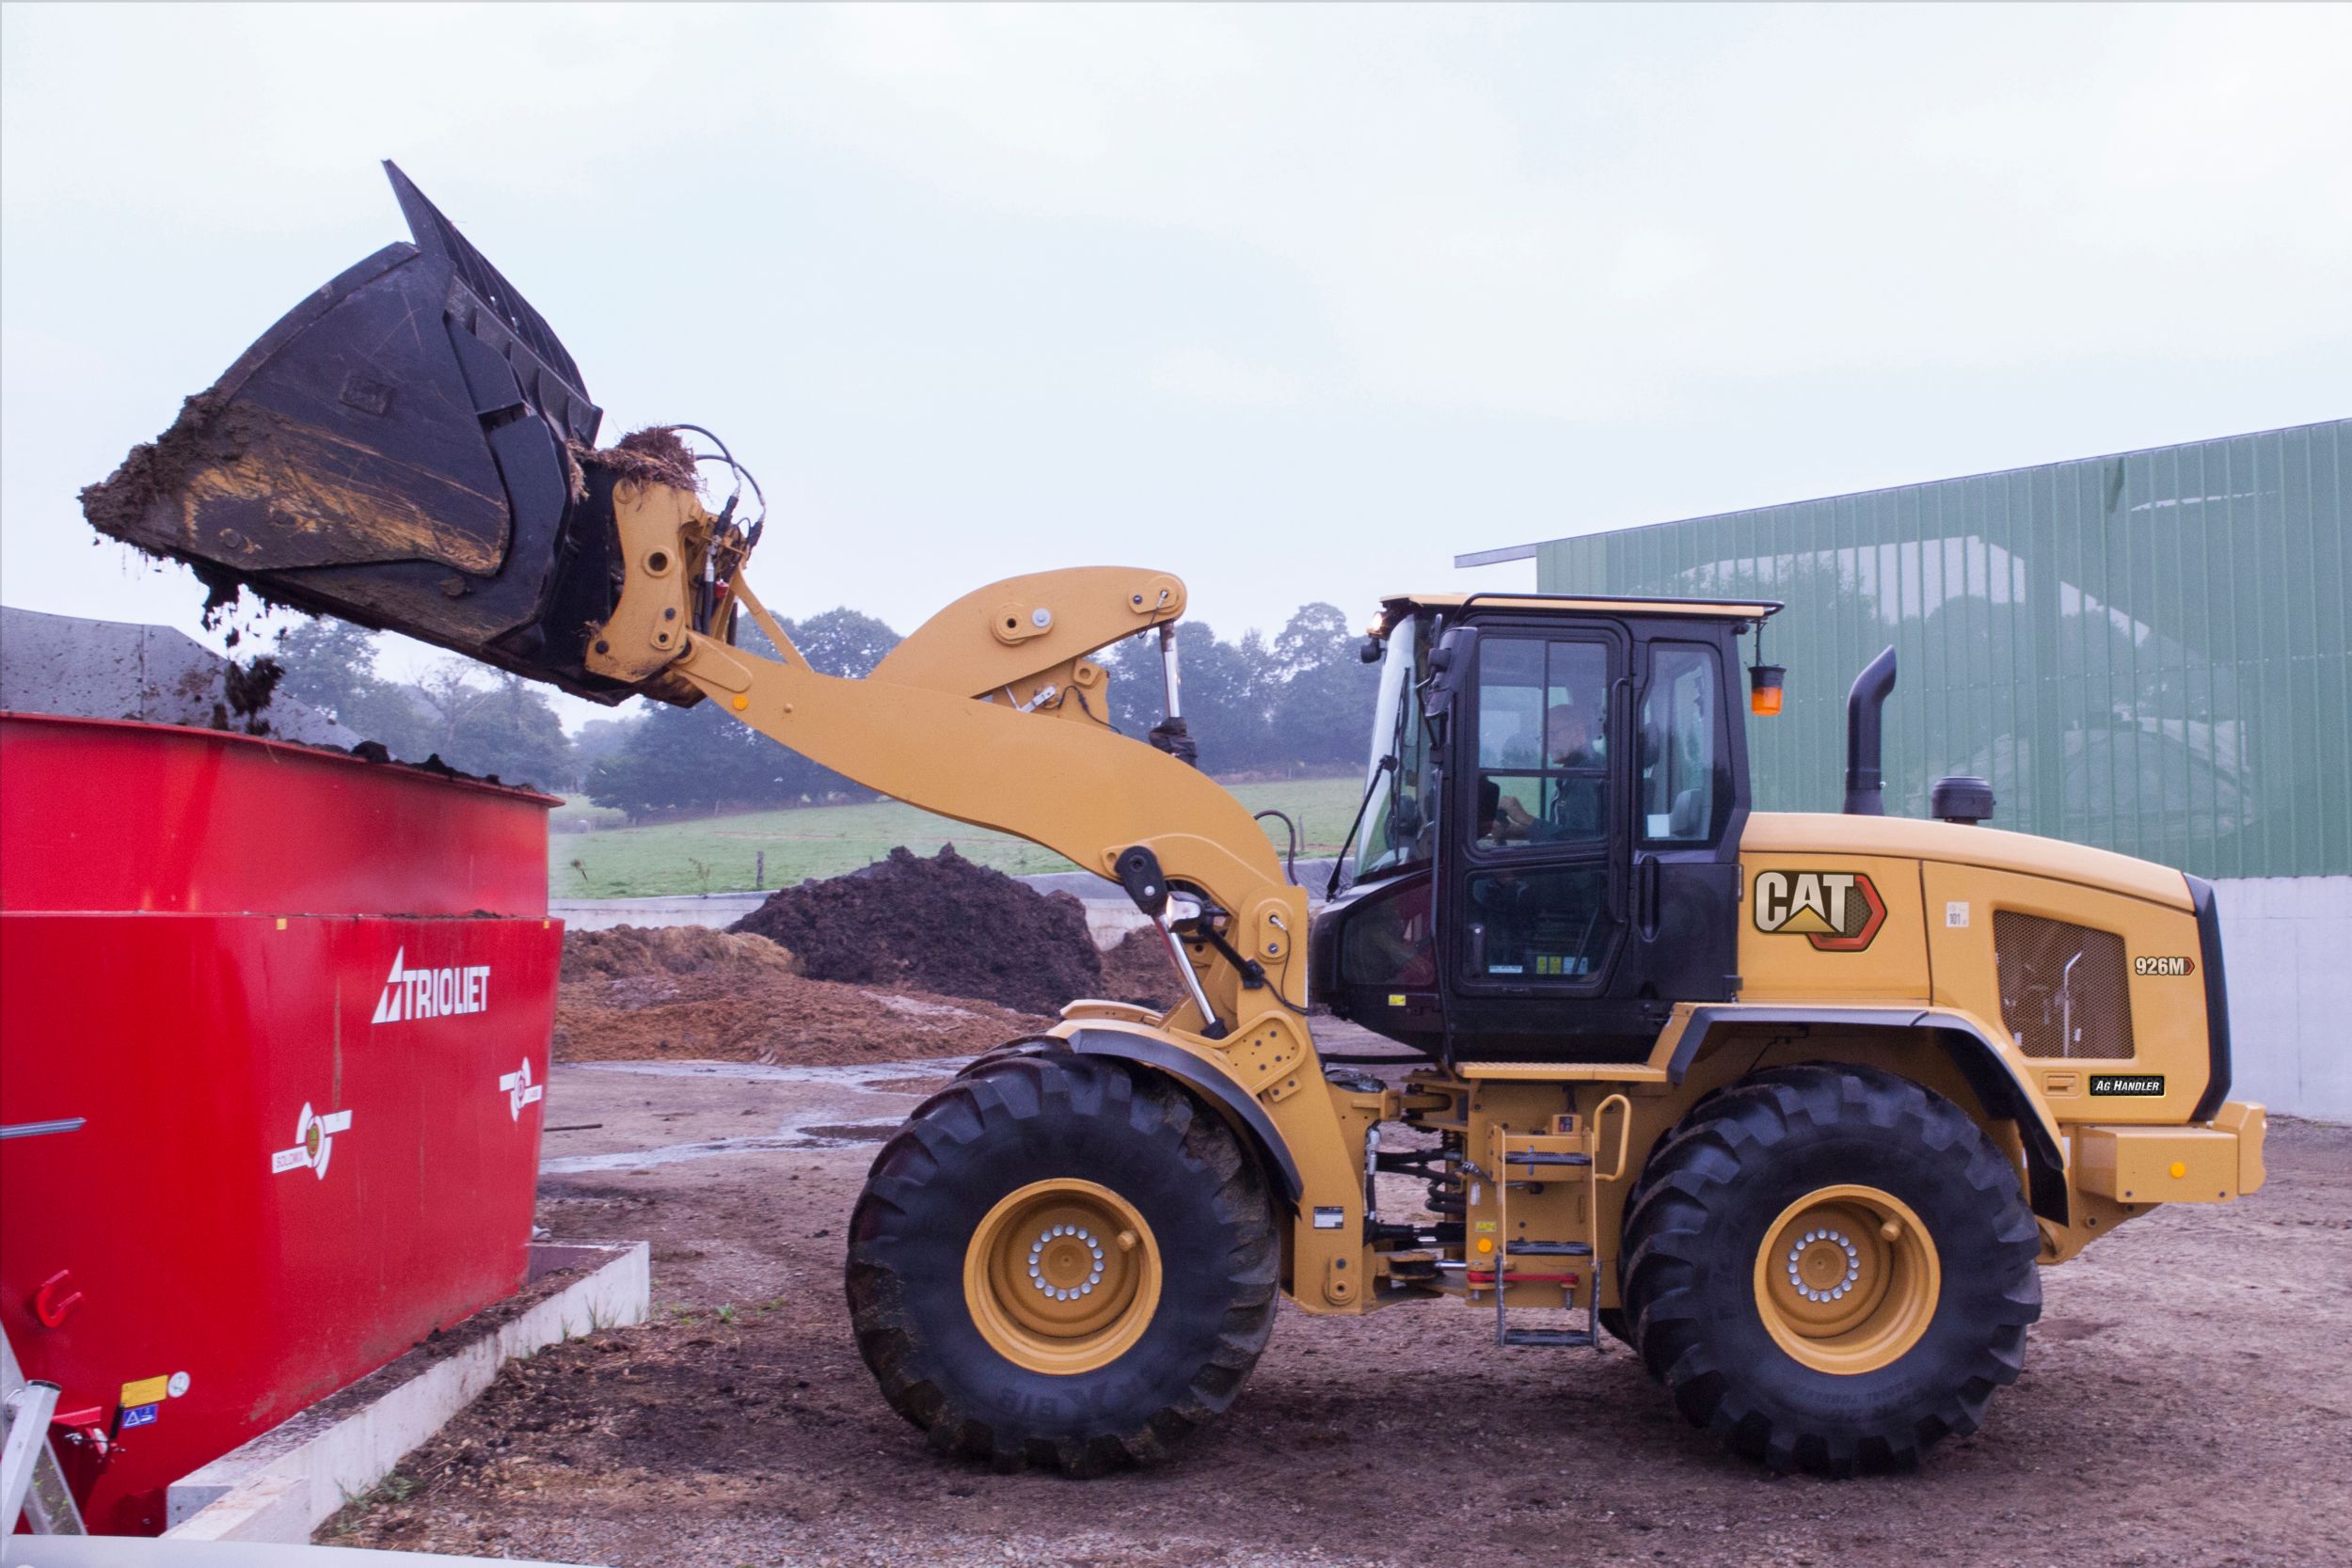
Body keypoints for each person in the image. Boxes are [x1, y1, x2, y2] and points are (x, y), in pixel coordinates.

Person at [1495, 704, 1603, 843]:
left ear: (1578, 732)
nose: (1546, 745)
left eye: (1552, 734)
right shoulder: (1572, 772)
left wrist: (1524, 817)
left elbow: (1581, 840)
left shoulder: (1587, 776)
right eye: (1543, 737)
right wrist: (1514, 831)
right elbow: (1563, 831)